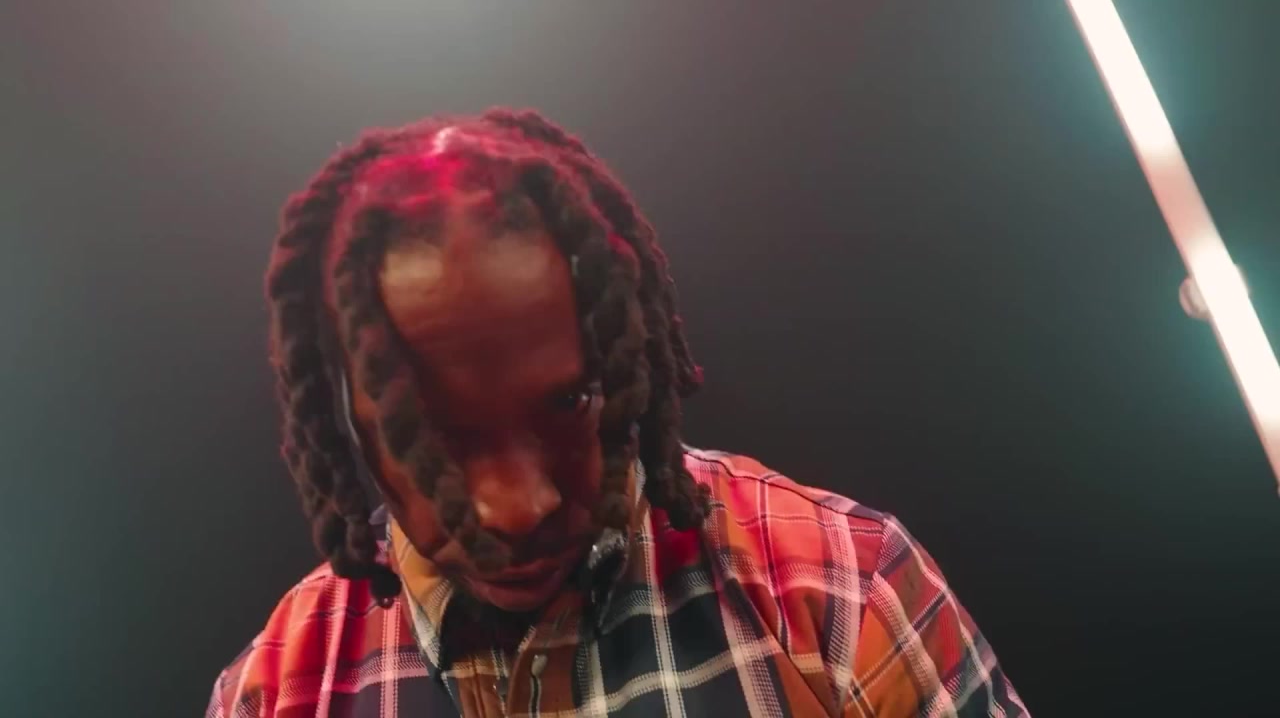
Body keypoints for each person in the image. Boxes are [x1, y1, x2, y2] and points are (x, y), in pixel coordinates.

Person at [207, 108, 1029, 718]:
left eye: (570, 403)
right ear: (348, 421)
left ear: (626, 361)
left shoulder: (837, 588)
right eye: (431, 438)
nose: (518, 507)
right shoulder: (275, 693)